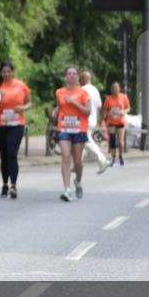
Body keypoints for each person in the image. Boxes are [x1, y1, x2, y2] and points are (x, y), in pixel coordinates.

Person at [0, 61, 31, 199]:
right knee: (4, 156)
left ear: (13, 72)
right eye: (4, 71)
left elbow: (29, 102)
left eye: (9, 71)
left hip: (16, 124)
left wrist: (23, 108)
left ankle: (13, 185)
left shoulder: (21, 85)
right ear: (1, 73)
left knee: (12, 154)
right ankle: (4, 184)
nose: (6, 74)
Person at [54, 66, 91, 201]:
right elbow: (61, 105)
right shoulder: (59, 92)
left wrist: (74, 102)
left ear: (77, 77)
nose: (71, 76)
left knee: (77, 161)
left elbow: (88, 111)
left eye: (74, 74)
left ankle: (78, 182)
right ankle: (67, 190)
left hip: (79, 129)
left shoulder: (83, 93)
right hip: (64, 128)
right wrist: (56, 110)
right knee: (65, 156)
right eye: (69, 73)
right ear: (66, 77)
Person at [79, 70, 110, 174]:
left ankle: (102, 160)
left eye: (80, 78)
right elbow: (99, 106)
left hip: (84, 120)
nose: (79, 80)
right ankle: (77, 163)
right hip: (93, 120)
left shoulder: (82, 90)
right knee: (83, 142)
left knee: (85, 141)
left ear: (85, 79)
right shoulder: (95, 90)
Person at [103, 82, 131, 166]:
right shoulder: (108, 98)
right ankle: (113, 158)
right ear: (111, 89)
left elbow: (128, 108)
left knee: (120, 142)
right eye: (113, 88)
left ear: (119, 89)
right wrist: (109, 114)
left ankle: (121, 156)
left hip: (120, 121)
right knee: (112, 140)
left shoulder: (123, 97)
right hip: (111, 121)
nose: (115, 89)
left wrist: (123, 111)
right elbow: (105, 111)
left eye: (116, 88)